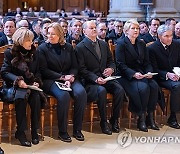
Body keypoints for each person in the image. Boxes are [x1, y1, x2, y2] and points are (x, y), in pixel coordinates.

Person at [38, 22, 87, 142]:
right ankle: (63, 131)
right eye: (48, 33)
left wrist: (71, 77)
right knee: (64, 95)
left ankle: (77, 129)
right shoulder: (42, 48)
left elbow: (75, 66)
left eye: (53, 34)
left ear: (60, 35)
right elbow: (44, 70)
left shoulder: (68, 47)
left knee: (81, 93)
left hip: (69, 78)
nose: (50, 36)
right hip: (51, 80)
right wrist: (62, 77)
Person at [76, 20, 125, 135]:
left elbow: (111, 61)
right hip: (90, 82)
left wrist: (111, 69)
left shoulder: (103, 44)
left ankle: (114, 120)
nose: (94, 29)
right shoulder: (80, 47)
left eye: (95, 27)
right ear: (84, 31)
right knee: (101, 91)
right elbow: (82, 69)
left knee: (120, 90)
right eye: (91, 28)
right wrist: (95, 78)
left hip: (105, 78)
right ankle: (103, 122)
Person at [0, 27, 47, 147]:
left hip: (30, 85)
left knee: (36, 98)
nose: (31, 43)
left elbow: (38, 72)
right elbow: (5, 72)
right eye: (28, 40)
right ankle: (20, 132)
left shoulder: (35, 53)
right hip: (14, 86)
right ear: (20, 40)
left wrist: (36, 81)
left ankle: (34, 131)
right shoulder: (10, 53)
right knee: (21, 98)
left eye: (31, 40)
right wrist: (18, 80)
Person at [115, 19, 159, 132]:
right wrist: (133, 74)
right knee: (143, 88)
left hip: (141, 73)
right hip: (126, 75)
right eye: (133, 28)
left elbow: (147, 62)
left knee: (154, 86)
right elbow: (120, 65)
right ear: (126, 30)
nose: (136, 30)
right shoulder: (121, 43)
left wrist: (149, 72)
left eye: (137, 28)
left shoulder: (141, 43)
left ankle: (150, 116)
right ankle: (141, 117)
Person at [148, 24, 180, 129]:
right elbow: (153, 69)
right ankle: (173, 117)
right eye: (166, 36)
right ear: (160, 36)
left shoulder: (176, 44)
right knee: (176, 86)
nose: (170, 38)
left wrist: (178, 73)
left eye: (171, 35)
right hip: (160, 77)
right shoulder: (152, 48)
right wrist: (167, 74)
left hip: (176, 74)